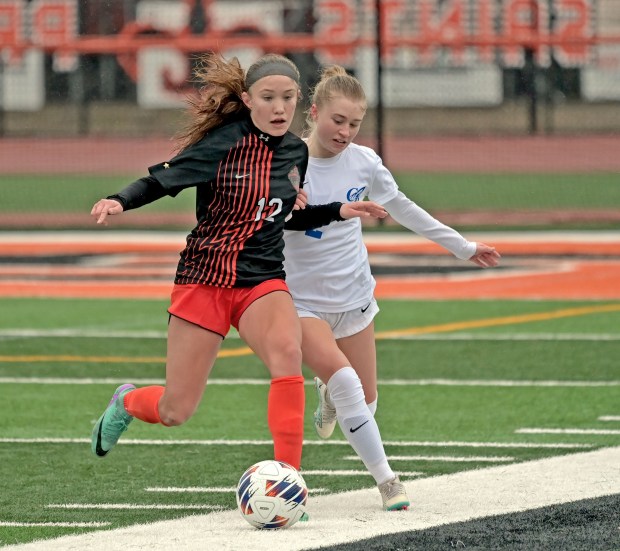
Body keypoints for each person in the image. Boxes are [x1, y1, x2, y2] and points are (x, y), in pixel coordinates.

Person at [89, 53, 386, 474]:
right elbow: (160, 182)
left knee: (287, 353)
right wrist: (120, 199)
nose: (280, 107)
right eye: (268, 97)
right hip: (204, 278)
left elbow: (284, 215)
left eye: (288, 97)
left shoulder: (295, 155)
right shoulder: (222, 144)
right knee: (176, 410)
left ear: (299, 98)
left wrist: (337, 210)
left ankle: (290, 482)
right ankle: (126, 401)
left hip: (261, 280)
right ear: (247, 99)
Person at [283, 65, 501, 510]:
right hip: (300, 300)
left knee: (366, 401)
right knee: (347, 384)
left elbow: (402, 206)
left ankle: (326, 394)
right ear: (314, 111)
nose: (344, 132)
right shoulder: (286, 162)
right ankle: (388, 482)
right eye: (337, 120)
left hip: (355, 296)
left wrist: (462, 247)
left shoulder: (365, 162)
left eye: (354, 123)